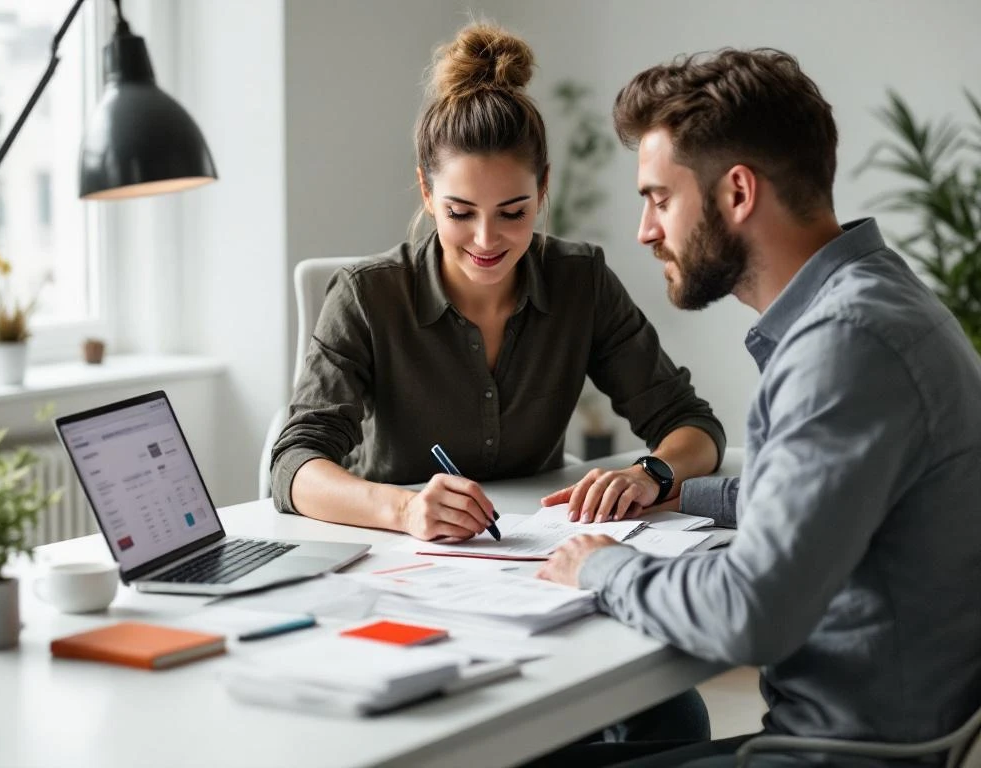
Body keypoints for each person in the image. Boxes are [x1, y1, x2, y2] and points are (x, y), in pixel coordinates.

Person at [270, 21, 725, 749]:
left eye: (513, 212)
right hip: (408, 586)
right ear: (425, 191)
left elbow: (693, 426)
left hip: (541, 578)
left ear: (544, 190)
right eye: (459, 213)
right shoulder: (367, 296)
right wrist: (404, 508)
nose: (487, 240)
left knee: (676, 716)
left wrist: (653, 471)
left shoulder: (580, 282)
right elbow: (294, 465)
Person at [537, 47, 981, 767]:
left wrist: (602, 567)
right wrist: (684, 492)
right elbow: (835, 499)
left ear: (737, 193)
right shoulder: (880, 298)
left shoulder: (843, 344)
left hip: (838, 754)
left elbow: (751, 611)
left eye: (658, 197)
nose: (646, 230)